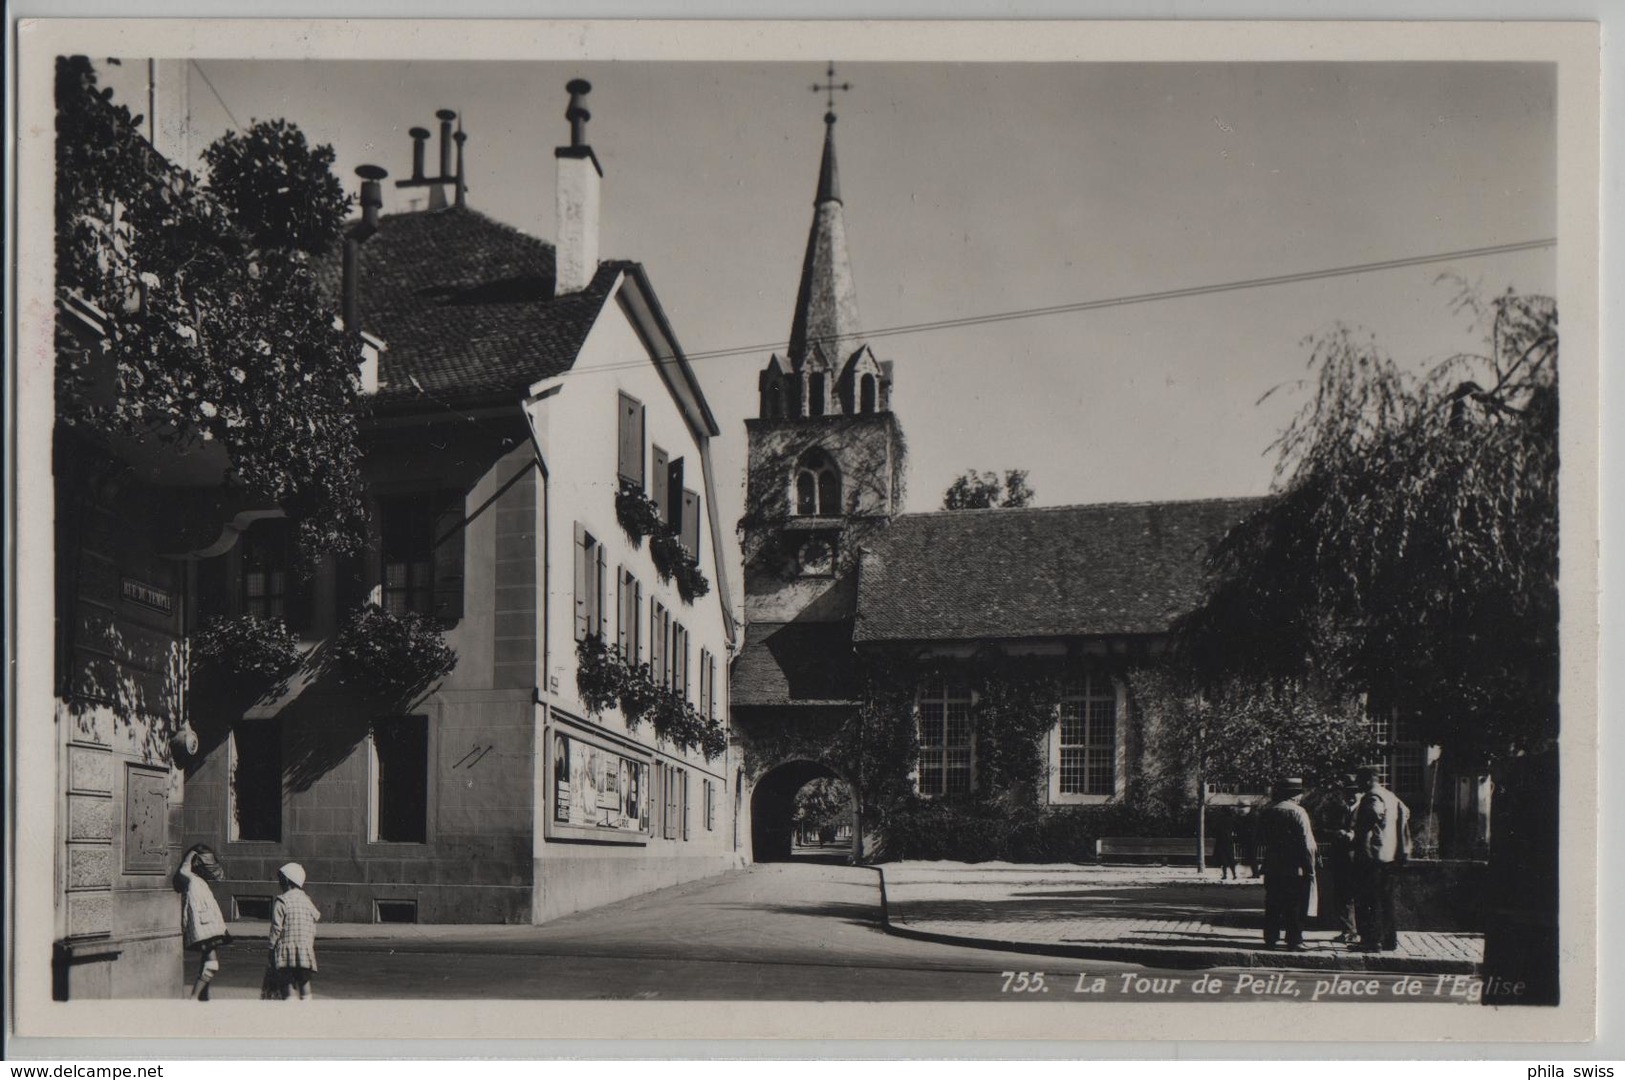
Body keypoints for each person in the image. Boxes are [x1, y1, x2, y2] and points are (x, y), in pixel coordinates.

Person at [1352, 765, 1412, 952]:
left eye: (1359, 780)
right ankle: (1389, 940)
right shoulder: (1391, 796)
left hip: (1373, 856)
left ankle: (1372, 942)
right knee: (1385, 900)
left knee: (1370, 900)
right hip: (1389, 855)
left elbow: (1372, 816)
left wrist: (1357, 836)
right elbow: (1405, 812)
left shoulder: (1373, 797)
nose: (1357, 784)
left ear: (1369, 779)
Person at [1256, 777, 1317, 950]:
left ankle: (1271, 939)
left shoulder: (1268, 812)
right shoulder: (1298, 812)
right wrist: (1309, 868)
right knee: (1295, 905)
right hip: (1294, 867)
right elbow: (1307, 843)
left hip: (1272, 866)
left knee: (1273, 904)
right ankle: (1294, 940)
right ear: (1294, 795)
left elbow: (1260, 838)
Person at [176, 844, 230, 1000]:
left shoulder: (199, 881)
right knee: (212, 965)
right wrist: (191, 855)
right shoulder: (192, 879)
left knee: (206, 963)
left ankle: (202, 998)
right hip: (205, 929)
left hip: (210, 928)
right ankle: (194, 998)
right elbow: (183, 870)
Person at [268, 862, 321, 1000]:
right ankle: (307, 1008)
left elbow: (276, 928)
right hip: (304, 950)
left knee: (287, 982)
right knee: (304, 981)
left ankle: (290, 1011)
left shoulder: (282, 901)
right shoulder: (307, 901)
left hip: (286, 950)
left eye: (280, 878)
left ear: (286, 880)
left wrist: (271, 948)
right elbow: (314, 920)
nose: (279, 882)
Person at [1210, 809, 1239, 881]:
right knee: (1231, 858)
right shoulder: (1232, 820)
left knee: (1224, 859)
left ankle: (1225, 874)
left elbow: (1214, 830)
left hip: (1221, 841)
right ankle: (1234, 874)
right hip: (1229, 841)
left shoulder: (1220, 820)